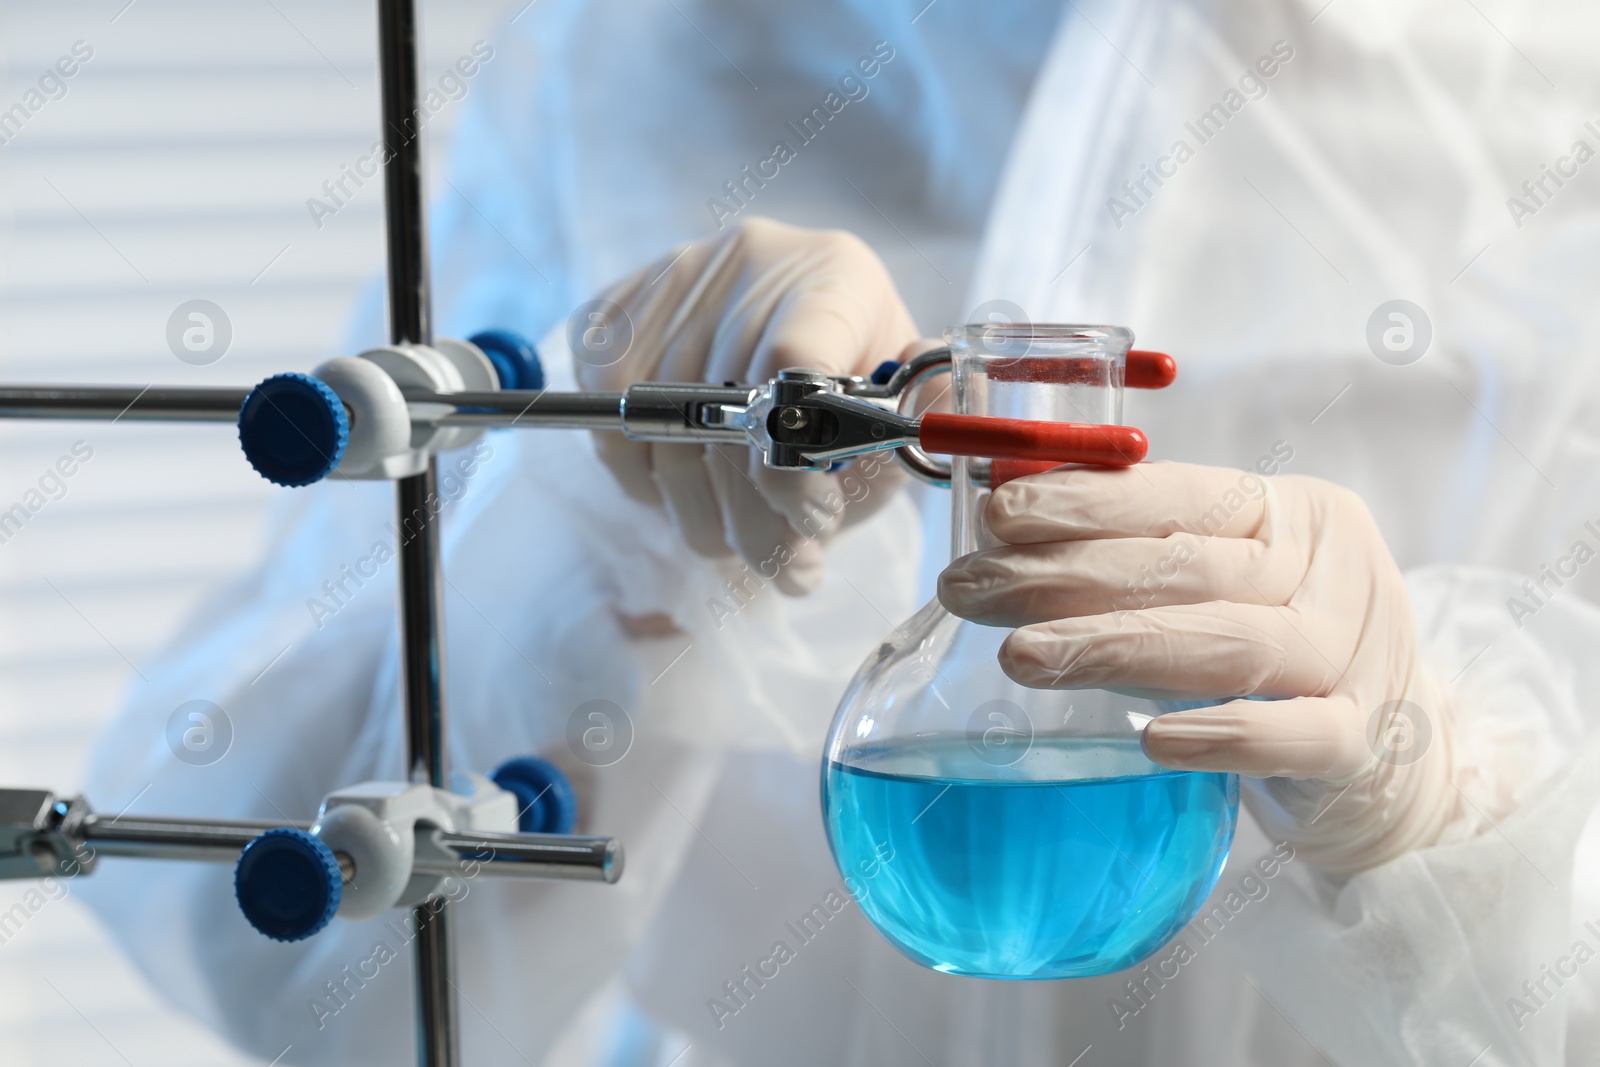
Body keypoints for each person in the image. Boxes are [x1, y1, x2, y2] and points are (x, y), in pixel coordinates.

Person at [80, 0, 1600, 1064]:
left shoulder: (1562, 96)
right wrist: (608, 512)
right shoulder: (634, 43)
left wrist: (1447, 805)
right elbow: (283, 977)